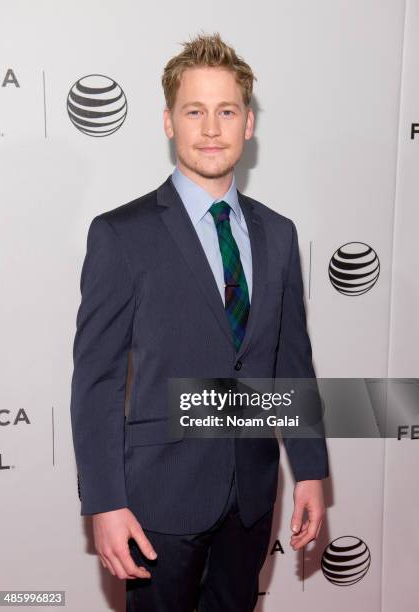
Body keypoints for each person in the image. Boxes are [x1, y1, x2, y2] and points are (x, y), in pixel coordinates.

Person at [70, 31, 329, 612]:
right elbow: (97, 383)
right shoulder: (121, 235)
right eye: (194, 111)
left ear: (248, 124)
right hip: (157, 502)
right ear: (168, 122)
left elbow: (291, 360)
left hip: (252, 497)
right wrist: (106, 504)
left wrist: (309, 469)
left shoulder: (279, 234)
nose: (211, 129)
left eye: (226, 111)